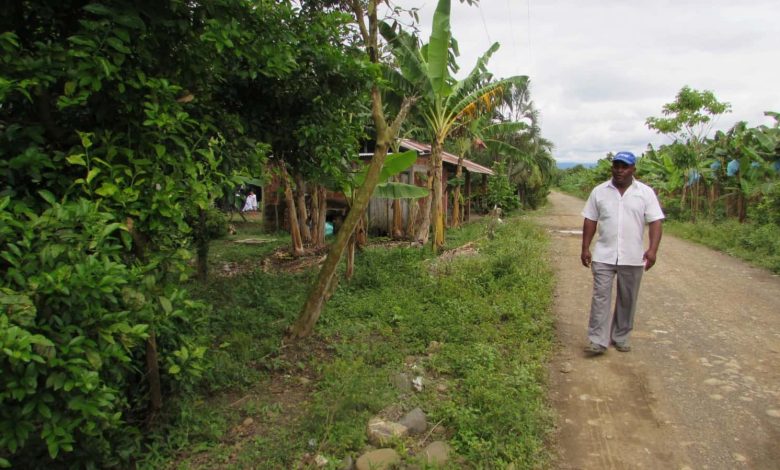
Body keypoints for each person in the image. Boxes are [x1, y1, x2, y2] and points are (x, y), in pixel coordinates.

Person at [580, 151, 664, 355]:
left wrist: (652, 250)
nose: (620, 170)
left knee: (628, 298)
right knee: (601, 298)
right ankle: (597, 341)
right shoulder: (599, 191)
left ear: (633, 169)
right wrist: (585, 247)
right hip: (603, 255)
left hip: (633, 256)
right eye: (616, 166)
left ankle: (621, 336)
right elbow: (590, 219)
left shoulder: (645, 193)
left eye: (624, 166)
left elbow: (655, 221)